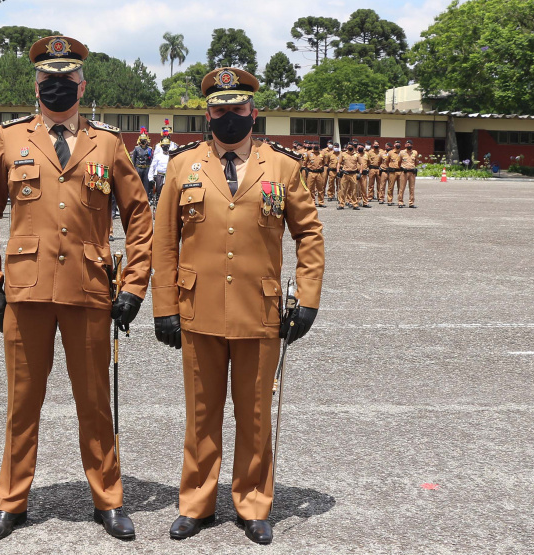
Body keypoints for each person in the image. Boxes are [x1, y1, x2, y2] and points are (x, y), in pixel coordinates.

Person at [0, 35, 153, 542]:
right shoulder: (10, 140)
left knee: (95, 402)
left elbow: (140, 215)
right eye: (48, 82)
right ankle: (11, 501)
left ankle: (109, 499)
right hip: (24, 293)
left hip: (89, 290)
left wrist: (135, 285)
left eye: (66, 81)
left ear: (82, 84)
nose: (57, 88)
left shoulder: (109, 144)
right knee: (22, 401)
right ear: (36, 85)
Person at [151, 66, 325, 545]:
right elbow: (164, 239)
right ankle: (197, 503)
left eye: (238, 108)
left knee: (253, 413)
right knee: (201, 413)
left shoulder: (284, 167)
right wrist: (163, 305)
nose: (229, 116)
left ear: (254, 111)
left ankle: (252, 504)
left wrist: (306, 299)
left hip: (260, 310)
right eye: (220, 108)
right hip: (197, 308)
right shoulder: (182, 166)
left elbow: (309, 234)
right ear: (208, 113)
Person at [148, 135, 172, 205]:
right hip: (160, 176)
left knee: (168, 193)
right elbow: (152, 167)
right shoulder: (157, 156)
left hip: (168, 176)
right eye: (164, 146)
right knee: (159, 192)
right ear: (161, 146)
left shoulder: (171, 155)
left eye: (167, 146)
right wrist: (150, 178)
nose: (166, 147)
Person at [131, 128, 153, 200]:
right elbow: (133, 160)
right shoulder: (136, 149)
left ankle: (146, 198)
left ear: (147, 141)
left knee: (146, 185)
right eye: (142, 140)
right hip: (138, 168)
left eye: (144, 140)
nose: (143, 142)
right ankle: (137, 197)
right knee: (138, 184)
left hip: (146, 168)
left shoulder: (149, 149)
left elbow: (151, 160)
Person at [337, 143, 359, 210]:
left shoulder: (356, 155)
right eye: (348, 146)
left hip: (353, 174)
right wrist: (338, 171)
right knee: (343, 190)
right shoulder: (343, 154)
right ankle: (341, 204)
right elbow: (339, 163)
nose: (350, 147)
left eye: (351, 146)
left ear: (353, 147)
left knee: (354, 190)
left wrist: (360, 173)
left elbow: (360, 164)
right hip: (345, 174)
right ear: (347, 147)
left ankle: (355, 204)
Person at [399, 139, 419, 208]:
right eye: (407, 144)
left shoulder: (415, 153)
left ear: (412, 145)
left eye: (410, 144)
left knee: (412, 188)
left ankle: (411, 203)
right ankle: (400, 202)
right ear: (405, 145)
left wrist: (414, 168)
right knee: (402, 188)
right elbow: (399, 162)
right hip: (404, 172)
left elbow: (416, 161)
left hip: (412, 173)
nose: (409, 145)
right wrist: (402, 168)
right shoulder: (402, 152)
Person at [385, 141, 403, 206]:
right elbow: (387, 162)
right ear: (394, 145)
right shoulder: (390, 152)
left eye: (399, 144)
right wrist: (390, 167)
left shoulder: (402, 153)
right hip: (392, 172)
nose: (397, 145)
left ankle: (400, 201)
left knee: (400, 187)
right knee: (390, 186)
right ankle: (389, 201)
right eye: (396, 144)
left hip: (400, 171)